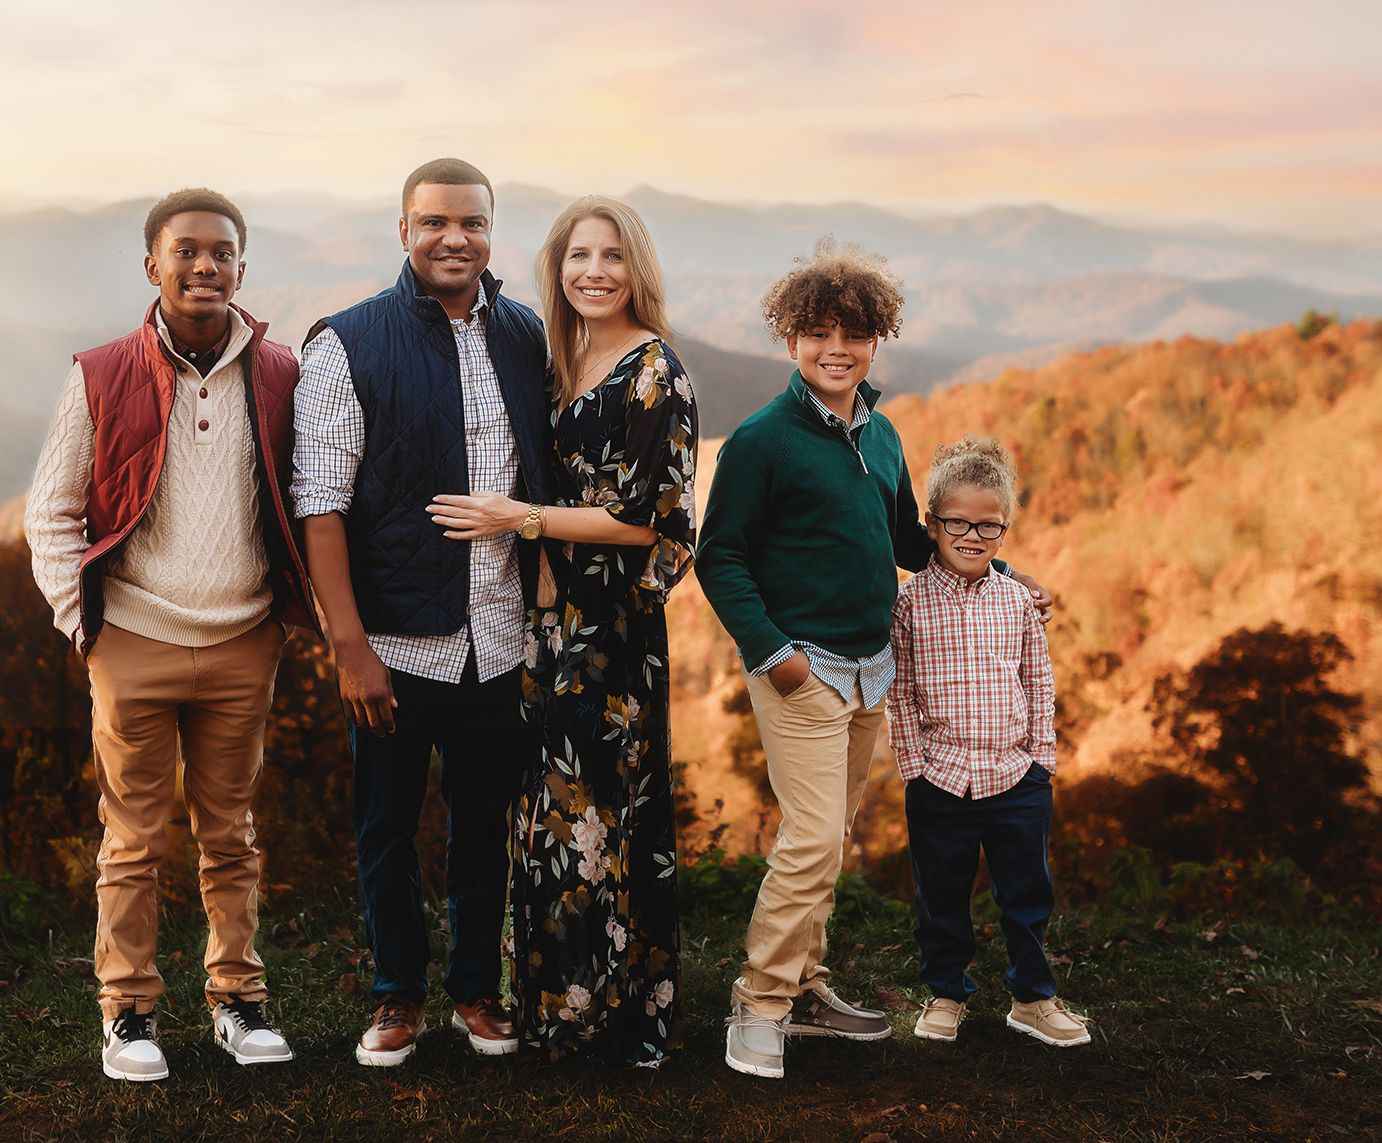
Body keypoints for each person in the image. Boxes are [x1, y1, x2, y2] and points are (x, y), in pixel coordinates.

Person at [693, 240, 1053, 1079]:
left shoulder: (883, 435)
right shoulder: (762, 440)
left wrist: (992, 568)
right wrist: (776, 656)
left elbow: (905, 542)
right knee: (812, 838)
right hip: (800, 668)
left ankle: (808, 986)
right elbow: (721, 557)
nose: (835, 348)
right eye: (817, 332)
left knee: (831, 837)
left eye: (852, 333)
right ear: (791, 341)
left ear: (874, 341)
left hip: (870, 672)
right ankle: (760, 1001)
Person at [24, 187, 317, 1082]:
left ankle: (237, 999)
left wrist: (288, 617)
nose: (204, 265)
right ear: (151, 264)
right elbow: (52, 512)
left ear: (242, 265)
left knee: (231, 831)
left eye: (221, 251)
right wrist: (87, 627)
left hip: (242, 640)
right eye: (185, 250)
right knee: (134, 837)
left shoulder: (280, 374)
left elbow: (310, 499)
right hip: (133, 641)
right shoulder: (101, 372)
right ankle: (129, 1013)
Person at [291, 158, 555, 1067]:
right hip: (397, 640)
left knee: (486, 823)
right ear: (403, 229)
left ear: (492, 232)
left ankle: (477, 991)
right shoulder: (346, 343)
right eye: (436, 222)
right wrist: (348, 644)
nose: (456, 239)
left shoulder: (525, 336)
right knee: (386, 827)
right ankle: (397, 996)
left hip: (501, 633)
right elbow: (318, 501)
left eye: (473, 224)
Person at [429, 196, 698, 1067]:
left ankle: (628, 1019)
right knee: (548, 814)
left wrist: (527, 519)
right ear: (558, 266)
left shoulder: (656, 371)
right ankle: (556, 1009)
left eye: (612, 255)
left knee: (613, 812)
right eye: (579, 254)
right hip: (543, 622)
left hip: (613, 629)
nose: (594, 270)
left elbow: (651, 520)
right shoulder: (561, 357)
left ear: (637, 269)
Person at [888, 436, 1088, 1048]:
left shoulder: (1019, 601)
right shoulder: (908, 603)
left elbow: (1038, 679)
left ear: (1006, 528)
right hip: (940, 779)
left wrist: (1041, 761)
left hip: (1016, 777)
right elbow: (898, 690)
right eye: (957, 523)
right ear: (932, 524)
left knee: (1027, 893)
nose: (972, 537)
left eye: (989, 526)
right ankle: (945, 995)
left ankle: (1033, 999)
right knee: (942, 897)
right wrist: (914, 766)